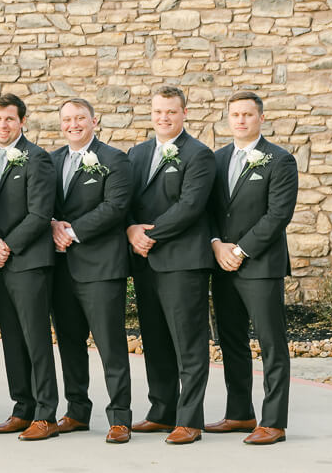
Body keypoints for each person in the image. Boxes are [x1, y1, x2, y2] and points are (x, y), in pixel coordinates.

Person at [206, 91, 298, 446]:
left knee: (272, 343)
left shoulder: (280, 160)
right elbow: (210, 212)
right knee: (231, 341)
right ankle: (240, 413)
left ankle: (274, 421)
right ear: (228, 119)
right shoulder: (216, 160)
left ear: (261, 118)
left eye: (248, 114)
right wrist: (216, 244)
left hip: (260, 265)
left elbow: (278, 215)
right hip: (222, 263)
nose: (241, 120)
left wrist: (241, 251)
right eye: (235, 115)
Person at [126, 85, 215, 445]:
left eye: (171, 112)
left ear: (184, 113)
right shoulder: (137, 153)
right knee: (156, 340)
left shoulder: (199, 154)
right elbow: (123, 198)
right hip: (145, 263)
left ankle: (190, 419)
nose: (164, 118)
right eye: (158, 111)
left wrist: (150, 235)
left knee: (188, 343)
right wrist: (130, 229)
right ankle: (161, 411)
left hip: (182, 262)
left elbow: (191, 206)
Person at [48, 98, 133, 443]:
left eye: (80, 118)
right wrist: (52, 224)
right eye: (67, 119)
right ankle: (77, 411)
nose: (73, 124)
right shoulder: (50, 161)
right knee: (69, 342)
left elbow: (115, 206)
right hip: (60, 269)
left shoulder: (114, 159)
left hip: (100, 267)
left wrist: (70, 231)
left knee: (110, 344)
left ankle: (120, 418)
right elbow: (40, 203)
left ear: (94, 121)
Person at [0, 93, 60, 441]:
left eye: (10, 120)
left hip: (29, 262)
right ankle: (22, 408)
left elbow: (40, 213)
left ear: (22, 122)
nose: (3, 125)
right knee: (12, 338)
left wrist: (8, 244)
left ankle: (46, 414)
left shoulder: (37, 158)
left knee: (36, 338)